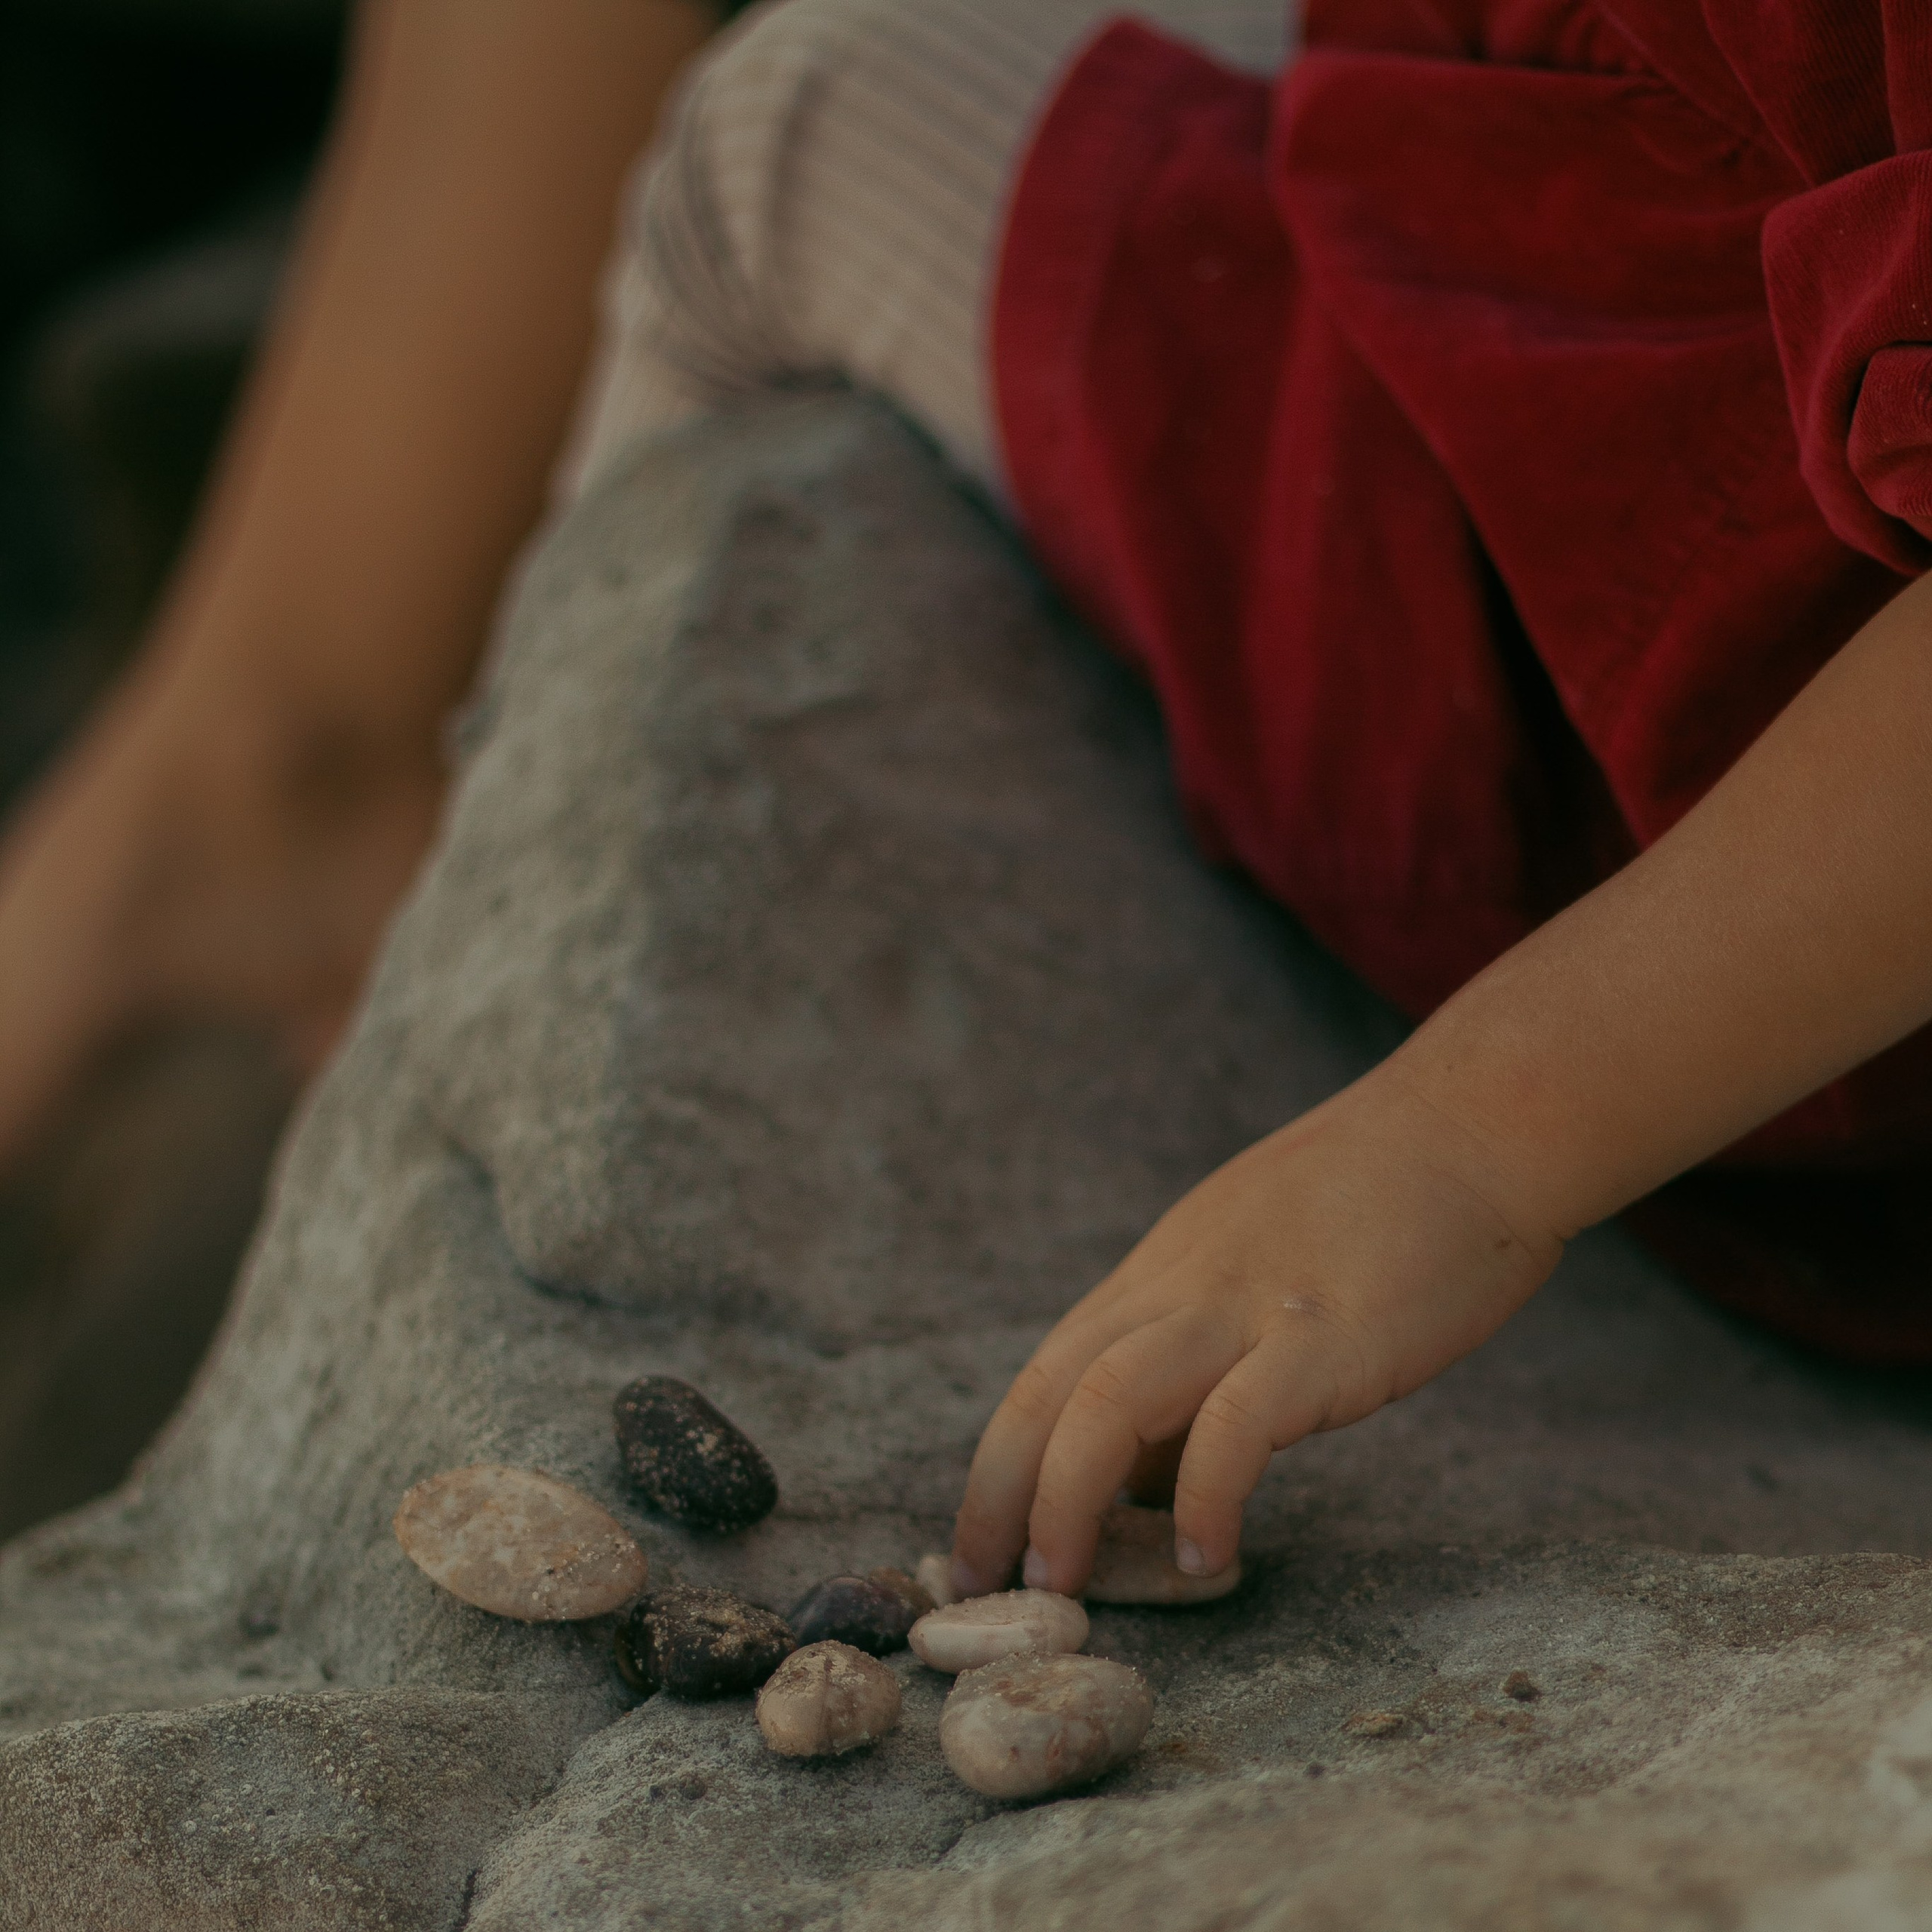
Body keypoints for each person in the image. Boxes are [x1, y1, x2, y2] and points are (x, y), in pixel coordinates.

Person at [4, 0, 1930, 1619]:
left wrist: (1462, 1138)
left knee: (795, 127)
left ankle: (412, 903)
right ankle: (283, 803)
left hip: (1647, 722)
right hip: (1654, 275)